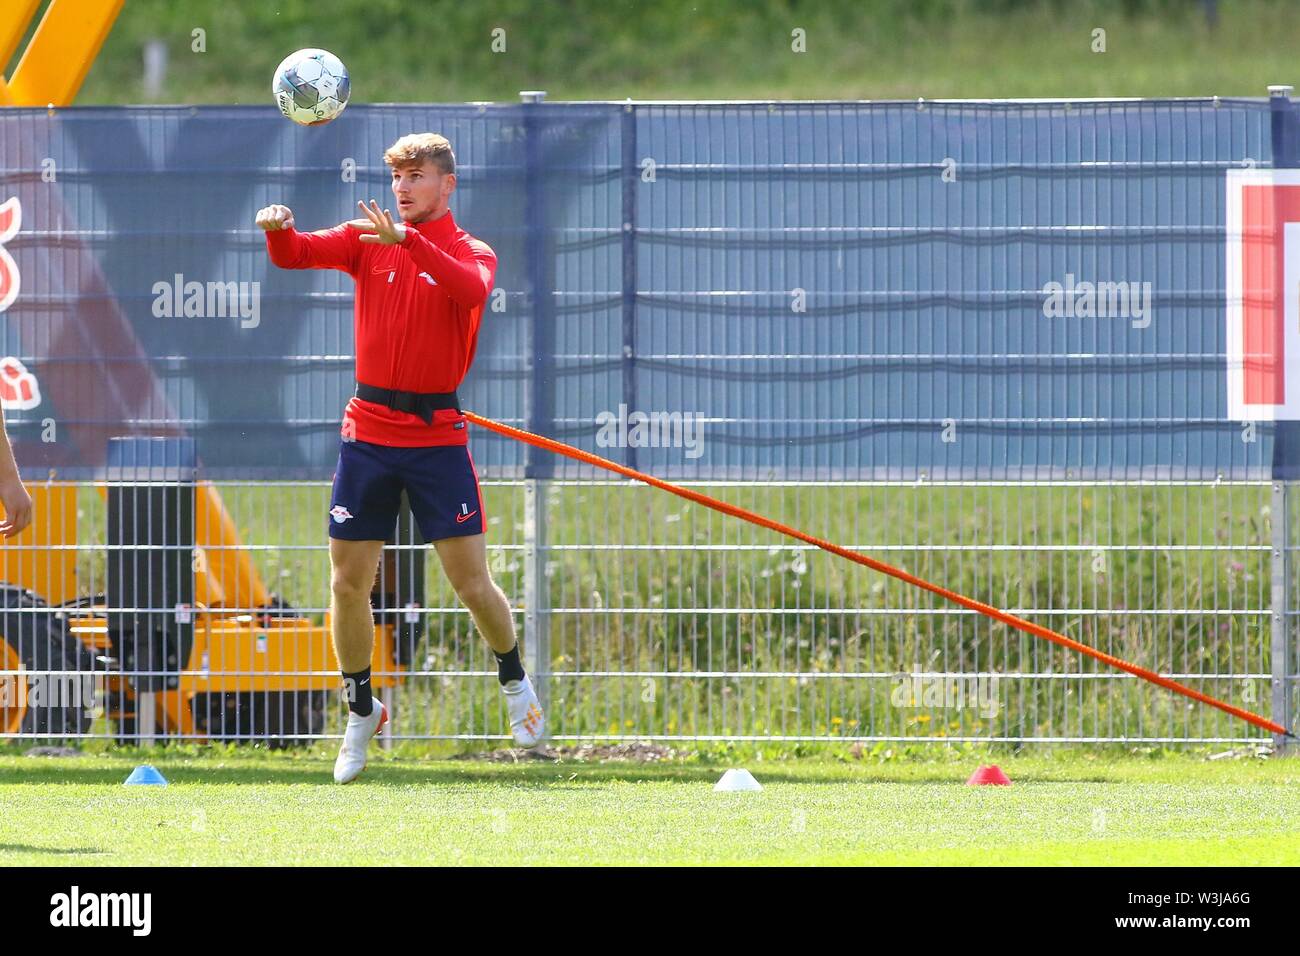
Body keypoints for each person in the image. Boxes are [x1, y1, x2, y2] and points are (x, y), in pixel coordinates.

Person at [257, 133, 544, 783]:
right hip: (369, 434)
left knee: (472, 584)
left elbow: (468, 292)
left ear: (448, 184)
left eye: (416, 176)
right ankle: (361, 708)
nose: (404, 188)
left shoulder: (470, 251)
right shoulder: (369, 239)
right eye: (397, 178)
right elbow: (296, 254)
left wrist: (408, 243)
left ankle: (513, 680)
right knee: (345, 582)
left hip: (437, 438)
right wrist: (278, 230)